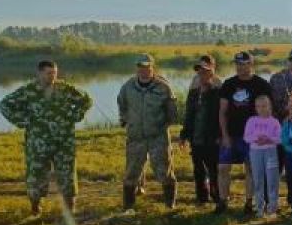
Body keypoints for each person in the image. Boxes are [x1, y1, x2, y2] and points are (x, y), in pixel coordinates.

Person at [0, 60, 93, 215]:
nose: (52, 76)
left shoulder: (65, 89)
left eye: (55, 73)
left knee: (67, 174)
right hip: (38, 143)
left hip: (64, 141)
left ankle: (70, 209)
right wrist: (24, 121)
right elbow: (4, 105)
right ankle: (35, 207)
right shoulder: (28, 91)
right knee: (36, 174)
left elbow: (87, 100)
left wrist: (74, 116)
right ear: (39, 73)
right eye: (49, 73)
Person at [116, 54, 179, 212]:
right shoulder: (128, 86)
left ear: (152, 67)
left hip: (158, 138)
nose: (143, 70)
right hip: (136, 137)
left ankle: (170, 206)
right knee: (131, 173)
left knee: (165, 171)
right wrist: (126, 120)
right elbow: (122, 104)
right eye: (140, 67)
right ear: (137, 68)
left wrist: (162, 126)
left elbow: (172, 112)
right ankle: (128, 208)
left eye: (147, 67)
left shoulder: (163, 87)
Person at [217, 52, 273, 215]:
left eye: (244, 64)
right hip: (231, 134)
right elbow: (222, 112)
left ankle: (249, 202)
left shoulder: (262, 84)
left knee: (251, 169)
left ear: (251, 64)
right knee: (223, 168)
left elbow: (268, 111)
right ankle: (223, 201)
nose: (240, 67)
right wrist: (225, 135)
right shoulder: (229, 84)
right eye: (238, 64)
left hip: (253, 136)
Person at [179, 55, 222, 206]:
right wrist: (184, 135)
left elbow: (223, 116)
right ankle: (202, 198)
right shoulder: (193, 92)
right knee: (198, 170)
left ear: (212, 71)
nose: (202, 74)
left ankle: (217, 197)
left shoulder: (218, 91)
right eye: (199, 71)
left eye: (205, 71)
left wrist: (221, 135)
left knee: (214, 169)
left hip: (212, 138)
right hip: (196, 138)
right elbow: (189, 115)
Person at [243, 94, 282, 218]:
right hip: (255, 153)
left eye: (264, 106)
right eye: (258, 106)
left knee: (272, 179)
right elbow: (246, 137)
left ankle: (272, 208)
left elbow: (280, 138)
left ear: (269, 106)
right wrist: (257, 138)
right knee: (258, 179)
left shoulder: (274, 122)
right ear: (255, 108)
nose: (261, 109)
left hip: (270, 152)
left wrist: (269, 139)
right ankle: (259, 208)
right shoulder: (251, 120)